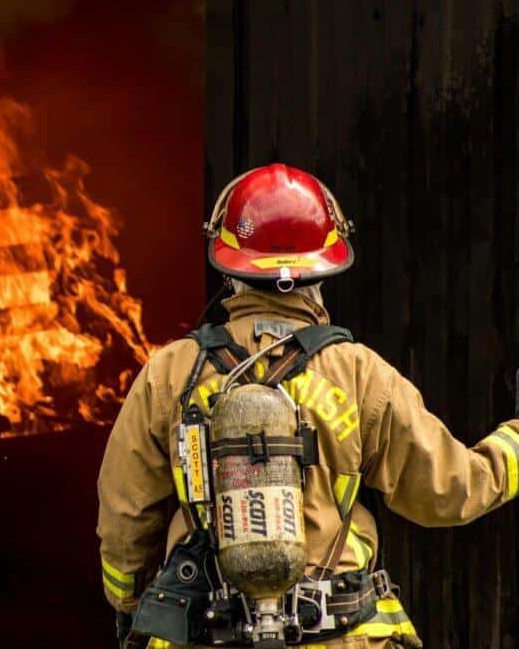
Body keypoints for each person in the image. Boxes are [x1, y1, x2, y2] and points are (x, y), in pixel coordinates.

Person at [97, 163, 519, 648]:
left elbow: (123, 515)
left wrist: (130, 605)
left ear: (229, 270)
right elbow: (450, 490)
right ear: (324, 270)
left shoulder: (171, 373)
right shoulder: (360, 374)